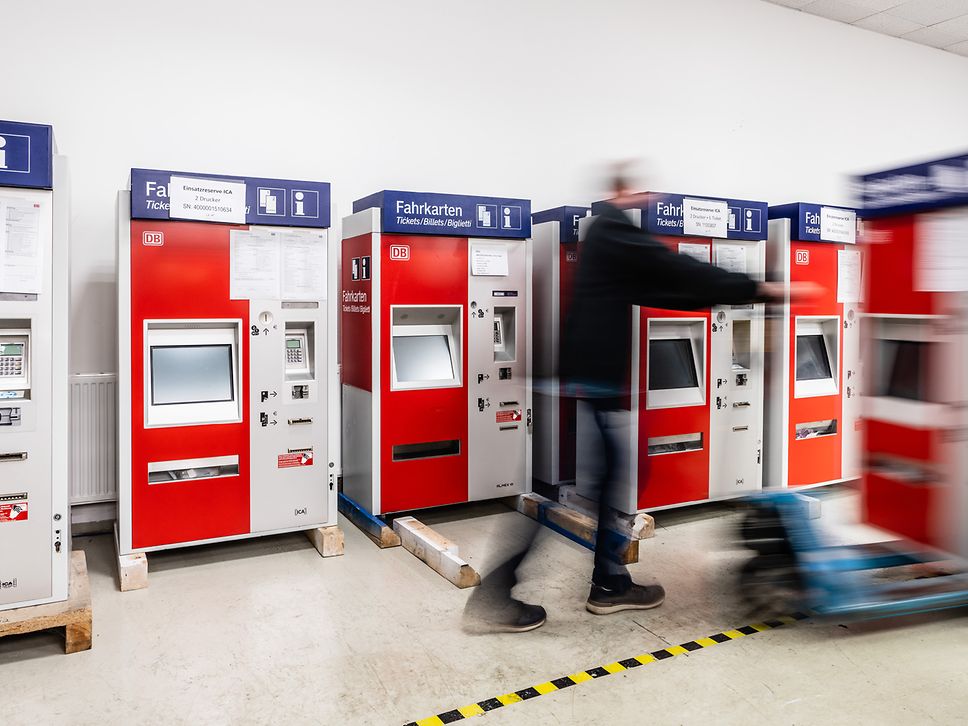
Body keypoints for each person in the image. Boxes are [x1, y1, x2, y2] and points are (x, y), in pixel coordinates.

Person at [464, 170, 808, 633]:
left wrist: (732, 297)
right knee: (609, 485)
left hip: (595, 379)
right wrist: (757, 288)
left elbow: (662, 289)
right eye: (643, 191)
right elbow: (676, 270)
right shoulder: (614, 229)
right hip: (597, 379)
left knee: (616, 481)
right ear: (623, 191)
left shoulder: (604, 238)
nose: (649, 199)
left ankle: (607, 581)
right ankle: (506, 593)